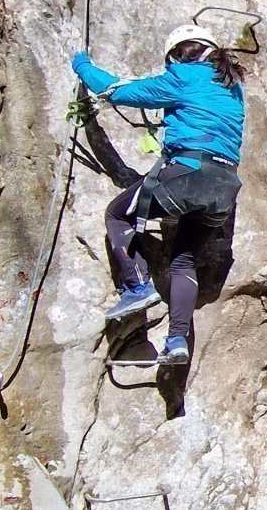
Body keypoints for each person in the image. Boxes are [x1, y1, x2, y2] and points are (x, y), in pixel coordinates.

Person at [70, 25, 246, 371]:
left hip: (188, 172)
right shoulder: (232, 86)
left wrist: (81, 65)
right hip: (224, 185)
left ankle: (137, 286)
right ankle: (176, 340)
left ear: (178, 55)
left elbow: (117, 91)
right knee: (183, 260)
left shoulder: (183, 76)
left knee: (118, 214)